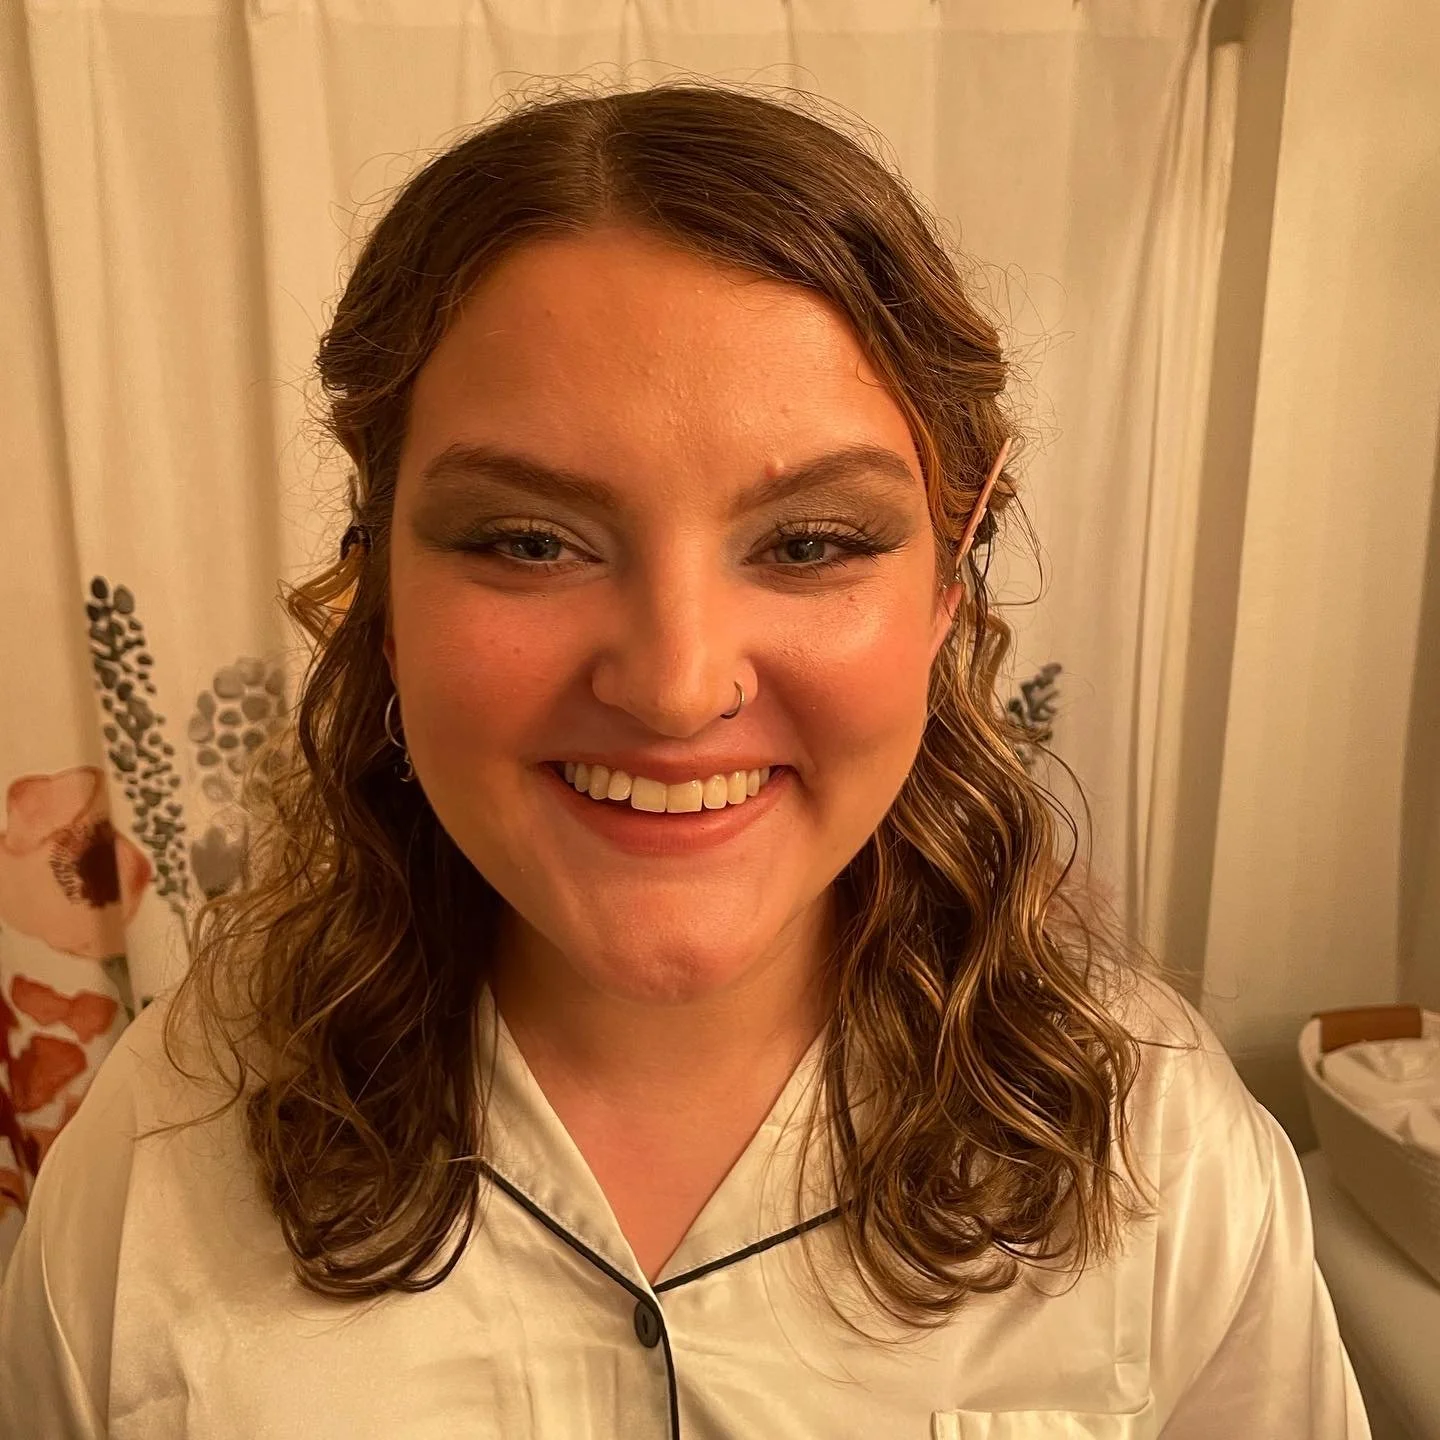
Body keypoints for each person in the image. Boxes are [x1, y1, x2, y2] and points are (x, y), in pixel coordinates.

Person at [0, 82, 1369, 1439]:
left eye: (813, 541)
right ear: (381, 589)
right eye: (528, 542)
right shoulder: (163, 1161)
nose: (672, 686)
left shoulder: (1165, 1164)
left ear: (955, 578)